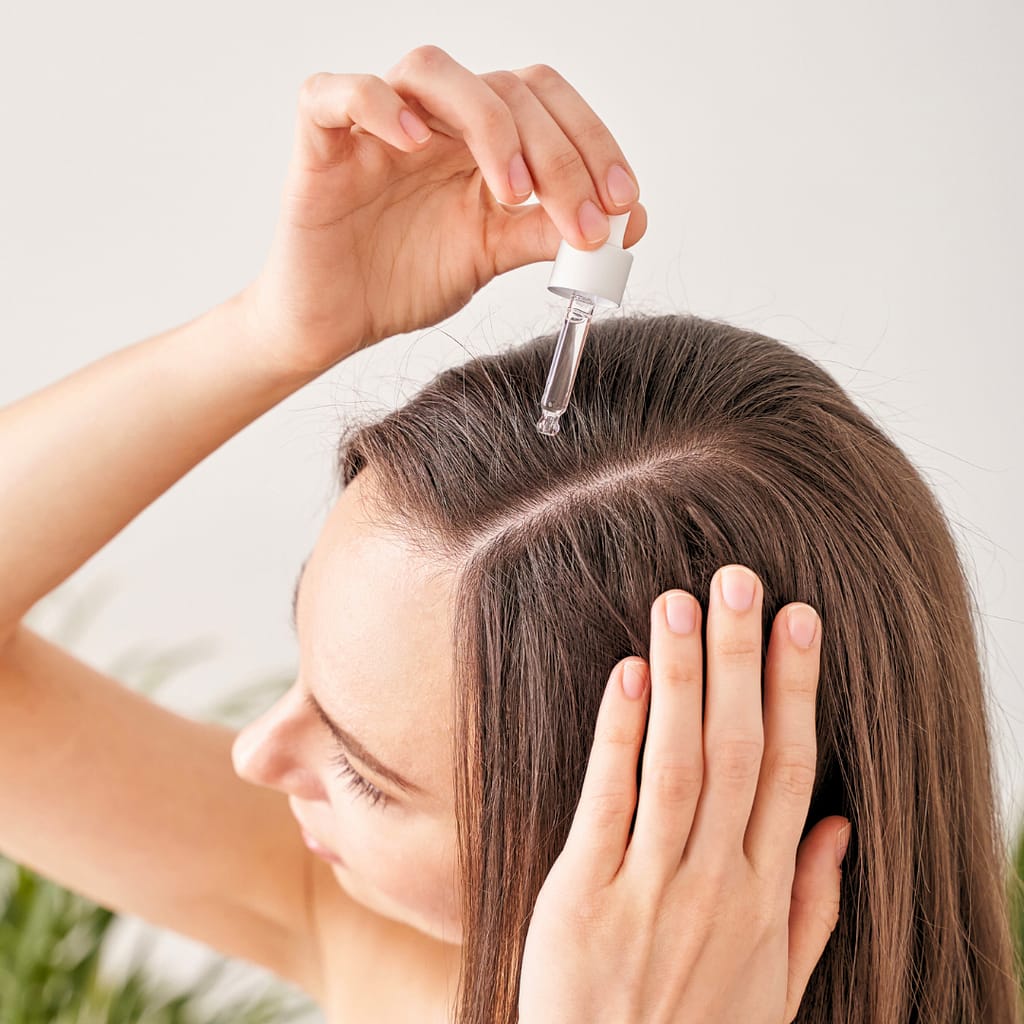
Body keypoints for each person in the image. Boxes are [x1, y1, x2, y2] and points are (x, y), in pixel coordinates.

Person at [0, 44, 1018, 1024]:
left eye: (367, 774)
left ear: (653, 830)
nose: (259, 752)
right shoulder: (383, 948)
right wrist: (273, 330)